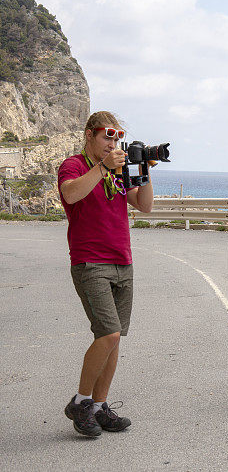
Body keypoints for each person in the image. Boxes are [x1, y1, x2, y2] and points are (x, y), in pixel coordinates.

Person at [58, 111, 154, 437]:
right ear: (89, 135)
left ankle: (99, 407)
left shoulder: (117, 172)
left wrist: (143, 171)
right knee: (109, 333)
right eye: (106, 136)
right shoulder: (74, 166)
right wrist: (103, 167)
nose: (113, 142)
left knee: (114, 341)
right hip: (90, 262)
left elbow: (144, 205)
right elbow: (71, 194)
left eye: (117, 137)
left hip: (122, 261)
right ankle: (81, 403)